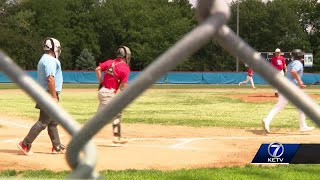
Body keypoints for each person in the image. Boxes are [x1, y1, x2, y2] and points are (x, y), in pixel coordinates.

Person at [17, 37, 65, 155]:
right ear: (53, 48)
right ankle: (25, 144)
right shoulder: (50, 60)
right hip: (48, 94)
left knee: (53, 122)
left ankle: (57, 146)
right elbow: (50, 79)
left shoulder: (45, 59)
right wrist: (54, 97)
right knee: (43, 122)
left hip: (46, 93)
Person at [262, 49, 314, 133]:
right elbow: (294, 72)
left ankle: (267, 120)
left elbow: (289, 74)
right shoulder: (298, 63)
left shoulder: (291, 63)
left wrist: (298, 83)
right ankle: (303, 126)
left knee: (279, 106)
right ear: (300, 56)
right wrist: (300, 82)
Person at [95, 46, 131, 144]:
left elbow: (97, 69)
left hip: (102, 92)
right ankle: (117, 137)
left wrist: (101, 81)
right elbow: (123, 87)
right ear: (126, 56)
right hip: (109, 93)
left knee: (99, 118)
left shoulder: (110, 62)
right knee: (117, 113)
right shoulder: (125, 68)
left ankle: (84, 134)